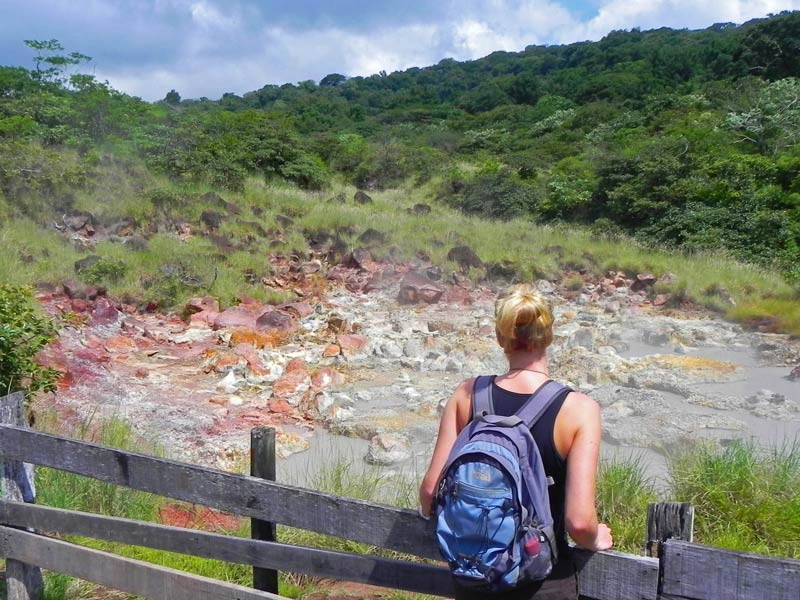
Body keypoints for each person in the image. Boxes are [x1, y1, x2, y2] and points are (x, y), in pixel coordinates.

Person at [418, 283, 613, 599]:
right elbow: (579, 522)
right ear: (548, 337)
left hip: (476, 578)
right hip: (543, 582)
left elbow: (430, 493)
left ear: (500, 338)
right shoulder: (579, 410)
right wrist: (597, 537)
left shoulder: (466, 395)